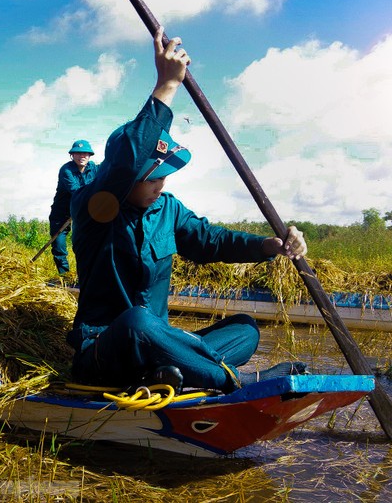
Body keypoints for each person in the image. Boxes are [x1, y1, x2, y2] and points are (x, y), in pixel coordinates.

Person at [67, 28, 308, 393]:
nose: (160, 184)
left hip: (156, 345)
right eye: (151, 178)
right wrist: (166, 86)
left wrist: (270, 246)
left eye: (164, 177)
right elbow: (126, 159)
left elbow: (212, 241)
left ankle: (175, 369)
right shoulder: (95, 206)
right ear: (125, 176)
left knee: (244, 329)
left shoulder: (167, 209)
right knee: (138, 322)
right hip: (108, 349)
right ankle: (234, 381)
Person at [47, 140, 98, 276]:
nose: (82, 156)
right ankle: (64, 276)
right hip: (62, 214)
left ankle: (84, 276)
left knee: (83, 245)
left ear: (89, 156)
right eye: (78, 153)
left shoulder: (94, 168)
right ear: (72, 155)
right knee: (59, 246)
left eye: (85, 154)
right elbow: (76, 192)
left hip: (82, 213)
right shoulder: (66, 170)